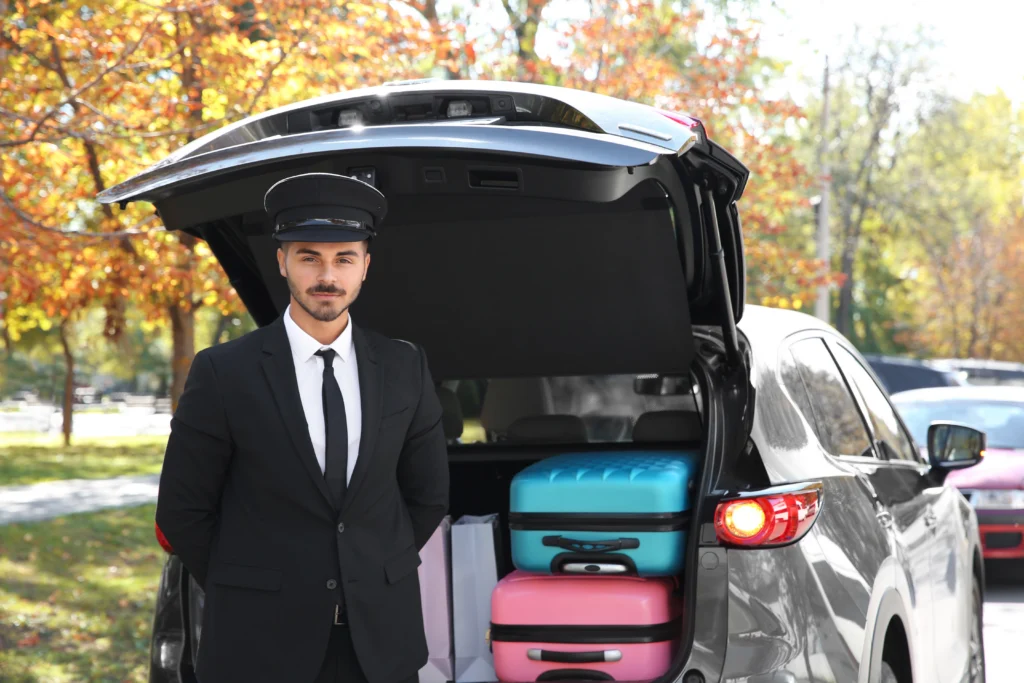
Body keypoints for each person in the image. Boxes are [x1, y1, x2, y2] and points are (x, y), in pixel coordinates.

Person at [155, 172, 450, 683]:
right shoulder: (223, 372)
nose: (327, 276)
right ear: (282, 262)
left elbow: (427, 496)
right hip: (259, 644)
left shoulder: (405, 366)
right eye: (309, 256)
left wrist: (369, 570)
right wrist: (251, 586)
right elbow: (183, 511)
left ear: (365, 267)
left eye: (344, 258)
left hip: (379, 642)